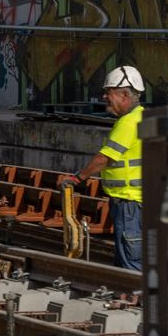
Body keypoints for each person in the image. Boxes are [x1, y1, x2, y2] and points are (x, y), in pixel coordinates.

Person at [61, 65, 143, 271]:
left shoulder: (129, 123)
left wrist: (78, 178)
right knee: (129, 252)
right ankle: (129, 293)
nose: (105, 97)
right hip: (134, 200)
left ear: (125, 94)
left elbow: (103, 158)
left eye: (109, 93)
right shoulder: (141, 117)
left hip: (129, 202)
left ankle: (134, 296)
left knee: (130, 254)